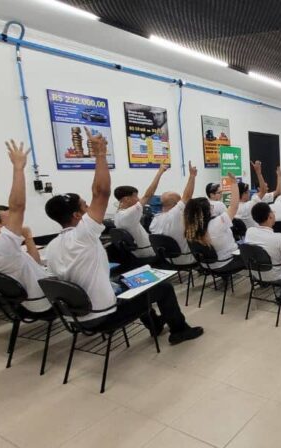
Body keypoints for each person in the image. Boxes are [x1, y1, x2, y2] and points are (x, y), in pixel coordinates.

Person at [45, 128, 202, 345]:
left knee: (133, 283)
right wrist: (100, 155)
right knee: (164, 288)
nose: (90, 207)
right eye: (85, 206)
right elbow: (101, 192)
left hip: (77, 315)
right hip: (104, 313)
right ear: (76, 215)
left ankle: (155, 323)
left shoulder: (52, 247)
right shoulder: (84, 235)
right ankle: (179, 331)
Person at [0, 140, 50, 313]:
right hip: (41, 302)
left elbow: (35, 263)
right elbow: (18, 206)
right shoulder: (3, 249)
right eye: (7, 219)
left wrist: (28, 238)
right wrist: (18, 168)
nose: (12, 221)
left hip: (15, 305)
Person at [245, 202, 281, 305]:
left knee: (279, 258)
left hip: (255, 272)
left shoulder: (249, 231)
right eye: (272, 211)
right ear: (270, 216)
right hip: (274, 275)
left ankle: (280, 290)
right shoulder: (278, 237)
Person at [183, 173, 241, 270]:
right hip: (225, 263)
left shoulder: (190, 228)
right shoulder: (217, 223)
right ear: (207, 211)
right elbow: (234, 206)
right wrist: (234, 183)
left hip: (205, 264)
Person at [113, 163, 168, 258]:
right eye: (135, 196)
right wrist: (160, 172)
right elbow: (148, 195)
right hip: (147, 252)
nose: (138, 199)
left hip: (134, 253)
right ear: (126, 199)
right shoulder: (129, 214)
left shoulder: (118, 214)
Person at [149, 161, 198, 265]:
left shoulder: (154, 220)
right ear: (176, 204)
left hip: (168, 259)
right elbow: (187, 196)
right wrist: (192, 176)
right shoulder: (174, 215)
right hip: (186, 258)